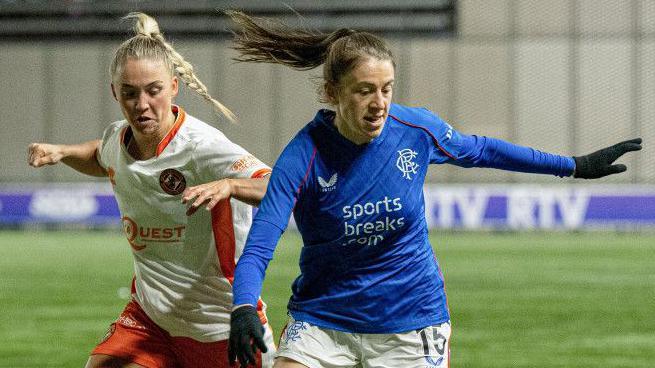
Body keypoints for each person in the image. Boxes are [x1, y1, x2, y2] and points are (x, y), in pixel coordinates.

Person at [223, 10, 643, 368]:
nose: (380, 103)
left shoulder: (415, 129)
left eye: (386, 89)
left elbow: (483, 151)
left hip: (410, 320)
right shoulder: (303, 155)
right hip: (323, 319)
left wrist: (572, 166)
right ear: (333, 93)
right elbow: (261, 243)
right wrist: (243, 305)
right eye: (364, 91)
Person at [27, 12, 276, 368]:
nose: (141, 105)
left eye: (153, 90)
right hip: (151, 322)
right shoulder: (119, 137)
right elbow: (101, 156)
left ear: (174, 86)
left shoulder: (202, 146)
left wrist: (230, 184)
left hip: (219, 324)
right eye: (129, 93)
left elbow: (278, 187)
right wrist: (64, 152)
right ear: (115, 92)